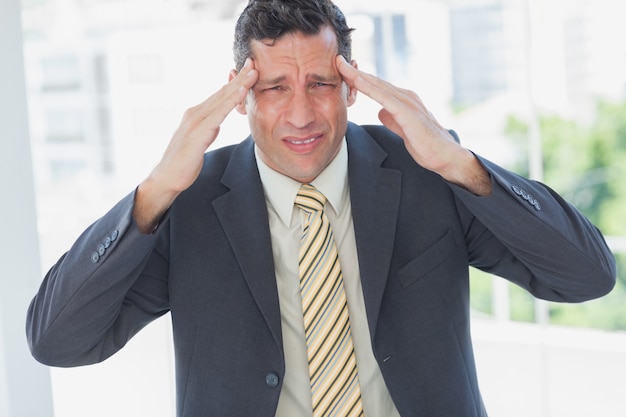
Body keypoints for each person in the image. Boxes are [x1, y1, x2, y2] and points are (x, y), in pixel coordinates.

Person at [26, 0, 616, 416]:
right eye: (276, 87)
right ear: (240, 94)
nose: (301, 115)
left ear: (351, 87)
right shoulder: (190, 201)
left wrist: (460, 164)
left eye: (321, 84)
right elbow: (58, 341)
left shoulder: (426, 173)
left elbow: (586, 276)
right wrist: (153, 193)